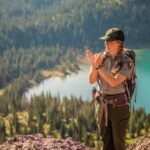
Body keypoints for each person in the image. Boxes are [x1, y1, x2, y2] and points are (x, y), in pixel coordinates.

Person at [86, 27, 135, 150]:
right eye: (105, 41)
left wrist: (98, 68)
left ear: (118, 43)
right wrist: (94, 65)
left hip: (118, 106)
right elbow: (91, 80)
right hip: (102, 105)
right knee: (105, 141)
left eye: (109, 41)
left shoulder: (127, 62)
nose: (105, 44)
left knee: (118, 143)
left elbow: (114, 82)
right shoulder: (101, 58)